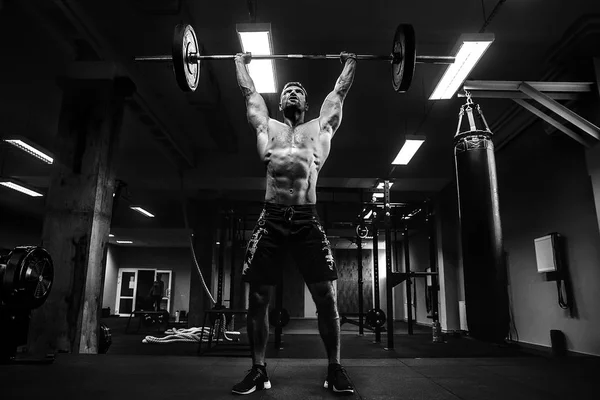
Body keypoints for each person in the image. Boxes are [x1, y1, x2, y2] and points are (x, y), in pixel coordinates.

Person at [232, 51, 357, 395]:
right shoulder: (267, 127)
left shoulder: (319, 128)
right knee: (258, 296)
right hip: (270, 217)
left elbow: (339, 94)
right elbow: (249, 95)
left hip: (305, 218)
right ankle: (259, 369)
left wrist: (350, 63)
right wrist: (239, 63)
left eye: (298, 91)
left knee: (326, 295)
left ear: (305, 101)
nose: (291, 93)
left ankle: (335, 369)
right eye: (286, 90)